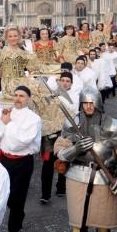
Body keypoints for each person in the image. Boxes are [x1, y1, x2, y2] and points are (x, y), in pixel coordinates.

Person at [54, 88, 117, 232]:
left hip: (104, 179)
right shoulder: (72, 123)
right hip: (76, 178)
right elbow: (60, 152)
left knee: (103, 227)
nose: (88, 106)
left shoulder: (114, 127)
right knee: (78, 226)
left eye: (92, 103)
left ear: (98, 103)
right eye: (85, 103)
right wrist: (75, 149)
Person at [0, 85, 41, 232]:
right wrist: (2, 122)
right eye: (16, 95)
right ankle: (17, 216)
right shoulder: (4, 112)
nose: (18, 98)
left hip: (22, 162)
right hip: (4, 159)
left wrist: (8, 124)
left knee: (17, 198)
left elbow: (21, 142)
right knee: (3, 195)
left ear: (28, 99)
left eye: (22, 96)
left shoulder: (33, 119)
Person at [40, 72, 78, 204]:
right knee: (48, 164)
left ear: (71, 83)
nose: (65, 83)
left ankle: (61, 188)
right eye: (63, 80)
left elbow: (75, 116)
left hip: (66, 134)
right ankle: (45, 194)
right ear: (59, 82)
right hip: (50, 135)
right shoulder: (51, 96)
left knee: (64, 160)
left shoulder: (75, 97)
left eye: (68, 81)